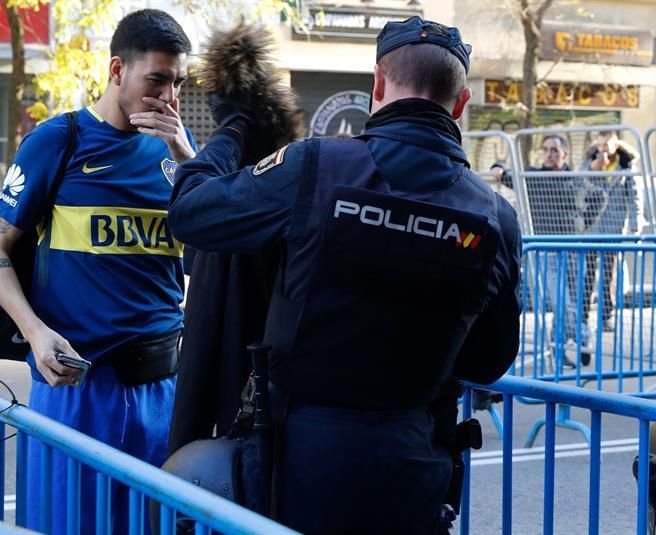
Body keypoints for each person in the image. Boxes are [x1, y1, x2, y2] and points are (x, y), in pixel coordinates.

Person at [168, 16, 521, 533]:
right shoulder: (495, 216)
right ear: (461, 104)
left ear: (377, 83)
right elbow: (490, 360)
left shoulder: (314, 165)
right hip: (412, 471)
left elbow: (192, 215)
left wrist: (231, 129)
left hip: (296, 468)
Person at [0, 9, 195, 533]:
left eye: (179, 82)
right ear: (117, 70)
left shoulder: (182, 160)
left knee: (151, 524)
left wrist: (191, 161)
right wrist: (34, 332)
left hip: (161, 388)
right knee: (64, 521)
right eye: (157, 79)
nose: (169, 97)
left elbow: (215, 260)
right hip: (75, 384)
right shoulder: (60, 140)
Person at [525, 135, 605, 366]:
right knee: (562, 301)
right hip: (545, 251)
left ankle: (558, 352)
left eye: (555, 151)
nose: (550, 155)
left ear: (565, 155)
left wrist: (582, 224)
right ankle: (583, 337)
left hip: (572, 249)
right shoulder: (533, 177)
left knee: (571, 301)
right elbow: (508, 175)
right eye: (547, 150)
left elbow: (601, 197)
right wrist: (498, 168)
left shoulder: (575, 179)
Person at [580, 131, 639, 332]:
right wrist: (591, 169)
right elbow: (576, 184)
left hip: (614, 227)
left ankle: (606, 317)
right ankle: (583, 317)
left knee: (609, 273)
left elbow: (634, 195)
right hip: (591, 226)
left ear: (616, 143)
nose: (603, 147)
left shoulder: (626, 164)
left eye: (607, 143)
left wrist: (635, 224)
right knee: (587, 274)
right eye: (601, 143)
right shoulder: (589, 161)